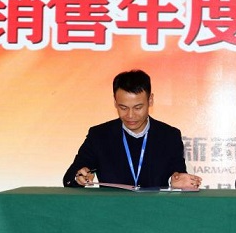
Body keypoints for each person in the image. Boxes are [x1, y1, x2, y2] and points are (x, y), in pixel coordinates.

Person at [63, 69, 201, 189]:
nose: (130, 115)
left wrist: (176, 181)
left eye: (138, 107)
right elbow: (69, 178)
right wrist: (79, 176)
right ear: (115, 102)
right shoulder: (99, 135)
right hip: (111, 208)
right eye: (123, 108)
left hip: (155, 208)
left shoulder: (169, 136)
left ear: (150, 100)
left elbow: (178, 174)